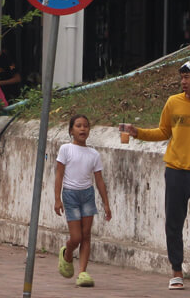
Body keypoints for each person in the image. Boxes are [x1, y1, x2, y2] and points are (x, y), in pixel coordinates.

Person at [121, 59, 190, 292]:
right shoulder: (173, 102)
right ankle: (177, 272)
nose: (182, 82)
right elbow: (164, 131)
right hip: (176, 171)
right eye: (182, 78)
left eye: (187, 78)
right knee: (174, 223)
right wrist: (138, 133)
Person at [54, 114, 111, 287]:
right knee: (76, 237)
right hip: (70, 195)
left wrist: (106, 204)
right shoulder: (65, 149)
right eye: (78, 126)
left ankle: (83, 272)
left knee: (86, 236)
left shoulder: (93, 154)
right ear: (71, 130)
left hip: (87, 195)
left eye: (85, 126)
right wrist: (57, 199)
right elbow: (59, 174)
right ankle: (67, 252)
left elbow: (99, 180)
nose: (82, 129)